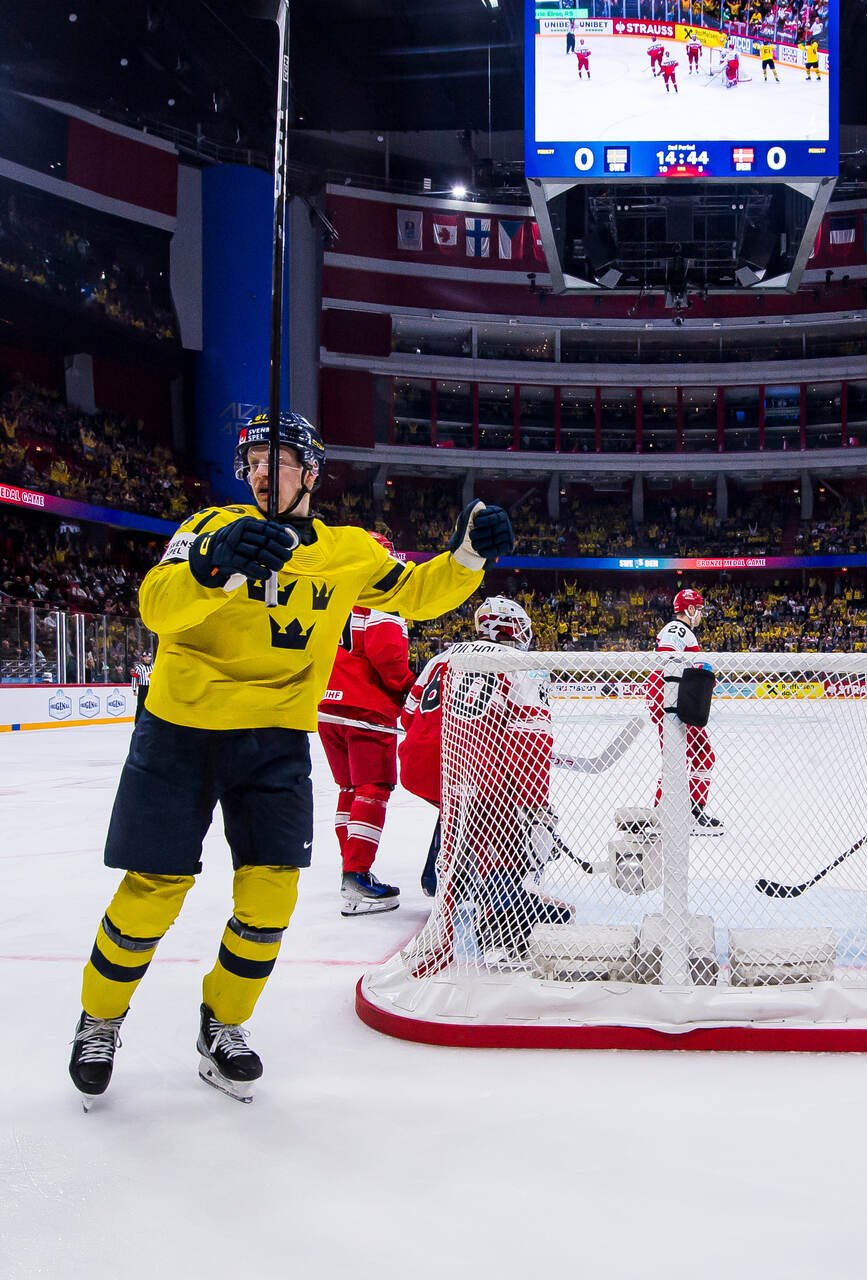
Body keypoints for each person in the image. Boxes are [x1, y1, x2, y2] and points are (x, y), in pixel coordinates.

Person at [68, 411, 509, 1106]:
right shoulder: (210, 526)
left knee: (270, 896)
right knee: (153, 889)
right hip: (180, 729)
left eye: (276, 461)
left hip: (273, 737)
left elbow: (416, 594)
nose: (260, 474)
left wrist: (469, 558)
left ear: (312, 472)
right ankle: (100, 1019)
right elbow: (156, 604)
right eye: (251, 463)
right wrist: (213, 566)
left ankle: (224, 1024)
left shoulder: (349, 550)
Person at [398, 596, 574, 975]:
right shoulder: (521, 664)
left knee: (461, 808)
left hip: (421, 764)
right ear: (512, 629)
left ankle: (443, 877)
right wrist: (535, 806)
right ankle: (504, 923)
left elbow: (408, 715)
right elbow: (531, 738)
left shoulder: (441, 657)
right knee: (504, 828)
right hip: (478, 769)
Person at [319, 531, 414, 916]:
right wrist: (409, 691)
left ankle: (350, 868)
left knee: (349, 788)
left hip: (327, 707)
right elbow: (387, 655)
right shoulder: (381, 599)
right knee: (372, 788)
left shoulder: (329, 596)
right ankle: (357, 874)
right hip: (366, 710)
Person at [651, 588, 720, 829]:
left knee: (692, 755)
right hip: (672, 701)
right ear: (689, 609)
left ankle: (670, 812)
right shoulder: (678, 629)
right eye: (698, 609)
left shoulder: (680, 632)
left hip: (673, 699)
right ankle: (678, 812)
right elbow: (668, 660)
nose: (700, 614)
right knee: (694, 755)